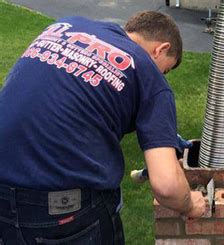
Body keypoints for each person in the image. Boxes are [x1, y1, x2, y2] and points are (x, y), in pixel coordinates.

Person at [0, 11, 206, 244]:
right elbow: (167, 185)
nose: (162, 77)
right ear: (160, 49)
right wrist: (190, 203)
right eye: (165, 70)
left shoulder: (67, 25)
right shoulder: (150, 77)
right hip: (63, 210)